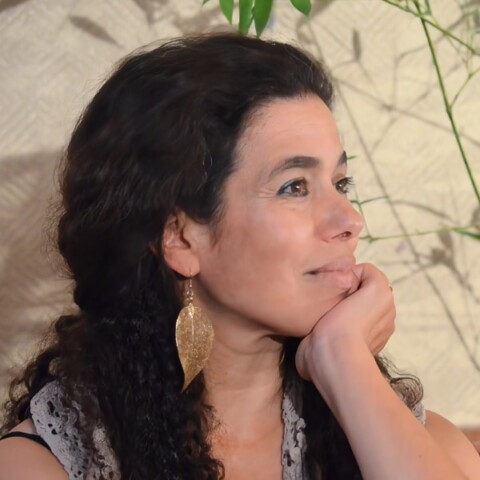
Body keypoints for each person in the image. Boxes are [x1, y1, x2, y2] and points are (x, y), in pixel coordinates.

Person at [0, 32, 478, 480]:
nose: (350, 220)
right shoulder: (43, 466)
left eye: (340, 183)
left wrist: (345, 361)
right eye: (295, 187)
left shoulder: (426, 447)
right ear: (180, 238)